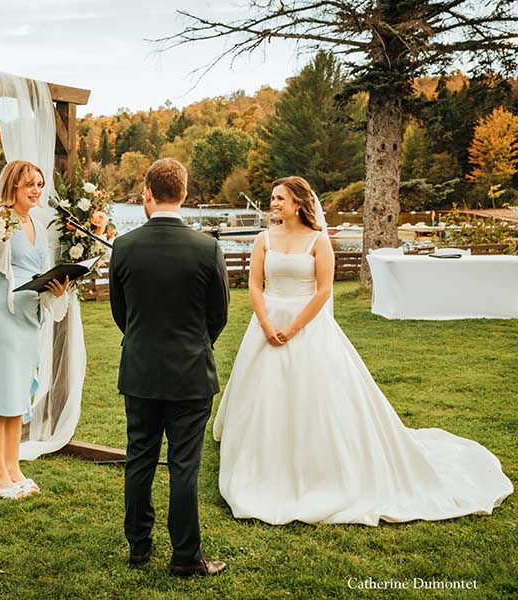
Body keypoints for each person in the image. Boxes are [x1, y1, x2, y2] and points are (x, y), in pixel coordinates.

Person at [214, 176, 513, 525]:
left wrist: (294, 328)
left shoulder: (318, 240)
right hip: (266, 324)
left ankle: (318, 465)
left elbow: (324, 291)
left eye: (280, 198)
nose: (274, 203)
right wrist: (266, 324)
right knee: (264, 394)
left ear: (299, 203)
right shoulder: (264, 239)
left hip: (307, 326)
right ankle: (261, 459)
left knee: (316, 397)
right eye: (272, 198)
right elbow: (254, 285)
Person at [109, 158, 230, 576]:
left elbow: (120, 313)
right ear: (183, 194)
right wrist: (196, 345)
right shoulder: (207, 247)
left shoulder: (123, 247)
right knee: (184, 466)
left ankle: (138, 547)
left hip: (140, 370)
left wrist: (145, 342)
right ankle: (184, 557)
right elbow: (219, 315)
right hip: (191, 373)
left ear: (147, 193)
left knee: (139, 459)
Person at [0, 160, 70, 500]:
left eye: (39, 183)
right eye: (29, 184)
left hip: (28, 314)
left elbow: (37, 268)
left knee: (19, 393)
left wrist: (55, 288)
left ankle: (13, 466)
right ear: (12, 187)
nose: (36, 189)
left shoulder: (35, 222)